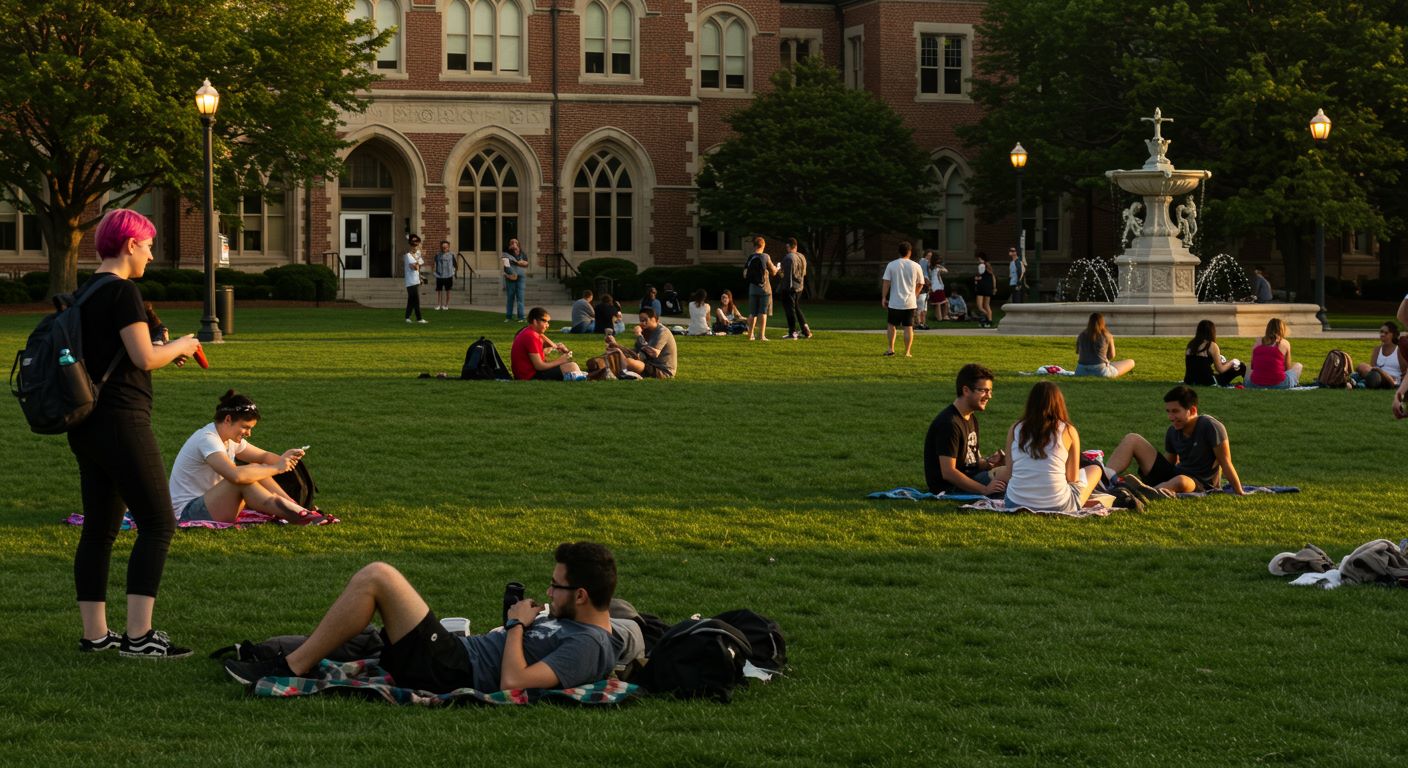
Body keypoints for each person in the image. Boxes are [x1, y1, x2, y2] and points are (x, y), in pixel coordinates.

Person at [68, 209, 203, 658]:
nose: (149, 253)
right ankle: (139, 637)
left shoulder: (85, 292)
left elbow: (125, 351)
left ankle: (96, 636)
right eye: (147, 245)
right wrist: (183, 345)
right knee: (159, 523)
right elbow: (144, 359)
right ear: (129, 245)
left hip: (84, 422)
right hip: (123, 419)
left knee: (100, 529)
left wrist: (161, 348)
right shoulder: (124, 290)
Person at [224, 542, 619, 694]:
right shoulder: (580, 625)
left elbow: (513, 682)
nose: (549, 592)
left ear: (581, 595)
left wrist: (517, 624)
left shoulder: (588, 643)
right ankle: (270, 655)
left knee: (380, 576)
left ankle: (287, 667)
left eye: (556, 586)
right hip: (454, 655)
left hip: (451, 669)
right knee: (366, 626)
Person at [168, 391, 325, 525]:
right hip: (188, 512)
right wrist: (276, 468)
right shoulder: (207, 439)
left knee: (255, 467)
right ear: (228, 419)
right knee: (243, 479)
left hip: (210, 504)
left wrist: (284, 460)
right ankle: (300, 517)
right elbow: (235, 476)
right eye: (245, 427)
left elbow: (263, 456)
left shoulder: (228, 438)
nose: (248, 434)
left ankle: (296, 508)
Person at [1103, 385, 1247, 497]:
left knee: (1180, 481)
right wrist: (1153, 470)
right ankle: (1103, 480)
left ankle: (1141, 493)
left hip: (1200, 483)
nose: (1171, 417)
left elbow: (1226, 462)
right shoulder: (1173, 431)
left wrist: (1239, 491)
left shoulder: (1211, 427)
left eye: (1175, 411)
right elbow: (1169, 463)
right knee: (1132, 439)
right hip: (1176, 474)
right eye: (1168, 411)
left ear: (1192, 410)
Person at [1001, 382, 1102, 512]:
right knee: (1095, 468)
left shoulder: (1015, 428)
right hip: (1059, 505)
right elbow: (1072, 478)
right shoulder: (1069, 431)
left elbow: (1009, 473)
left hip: (1015, 502)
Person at [923, 363, 1010, 496]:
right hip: (950, 488)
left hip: (971, 478)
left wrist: (989, 463)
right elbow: (949, 472)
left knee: (1014, 473)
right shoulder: (949, 423)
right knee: (1013, 478)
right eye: (984, 390)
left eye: (990, 391)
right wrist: (984, 490)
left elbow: (971, 461)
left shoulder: (970, 417)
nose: (989, 396)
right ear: (966, 390)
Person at [510, 307, 583, 381]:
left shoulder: (530, 332)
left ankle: (578, 376)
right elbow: (539, 366)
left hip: (526, 375)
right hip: (529, 377)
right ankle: (581, 377)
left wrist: (557, 347)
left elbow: (546, 348)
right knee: (572, 366)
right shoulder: (531, 336)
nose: (548, 325)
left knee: (571, 367)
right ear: (535, 321)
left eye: (548, 322)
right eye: (545, 321)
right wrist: (560, 360)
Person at [602, 307, 677, 379]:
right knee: (615, 355)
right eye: (641, 320)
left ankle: (610, 372)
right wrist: (615, 345)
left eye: (645, 320)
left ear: (655, 319)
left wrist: (639, 335)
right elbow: (636, 352)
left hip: (662, 371)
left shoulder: (662, 332)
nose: (643, 323)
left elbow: (653, 353)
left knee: (627, 362)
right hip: (648, 364)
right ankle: (603, 370)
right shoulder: (646, 331)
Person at [881, 241, 925, 357]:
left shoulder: (892, 265)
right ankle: (907, 352)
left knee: (891, 325)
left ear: (899, 252)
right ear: (909, 252)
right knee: (908, 327)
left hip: (894, 302)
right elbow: (921, 283)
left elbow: (886, 282)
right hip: (910, 302)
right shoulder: (916, 266)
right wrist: (914, 294)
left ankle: (891, 349)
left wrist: (884, 297)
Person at [1183, 319, 1246, 387]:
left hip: (1189, 380)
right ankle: (1248, 385)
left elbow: (1198, 364)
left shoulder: (1191, 344)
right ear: (1212, 331)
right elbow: (1220, 369)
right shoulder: (1211, 345)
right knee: (1241, 366)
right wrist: (1232, 362)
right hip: (1207, 381)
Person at [1074, 312, 1136, 378]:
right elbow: (1112, 355)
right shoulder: (1107, 336)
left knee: (1110, 364)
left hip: (1080, 371)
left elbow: (1077, 351)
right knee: (1131, 362)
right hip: (1101, 371)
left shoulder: (1081, 335)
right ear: (1102, 322)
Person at [1247, 317, 1303, 389]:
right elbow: (1287, 368)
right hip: (1280, 384)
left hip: (1254, 384)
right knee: (1298, 365)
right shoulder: (1285, 343)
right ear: (1282, 329)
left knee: (1248, 366)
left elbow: (1252, 366)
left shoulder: (1257, 342)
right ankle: (1294, 384)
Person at [743, 236, 780, 341]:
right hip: (764, 289)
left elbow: (745, 274)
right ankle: (761, 335)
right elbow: (773, 271)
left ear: (754, 246)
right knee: (763, 312)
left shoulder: (750, 257)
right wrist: (777, 268)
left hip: (752, 289)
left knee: (752, 313)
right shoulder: (766, 256)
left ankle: (750, 335)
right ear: (763, 245)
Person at [778, 237, 812, 339]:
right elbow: (804, 273)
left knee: (790, 310)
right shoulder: (802, 256)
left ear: (788, 246)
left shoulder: (789, 258)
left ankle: (792, 332)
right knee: (796, 308)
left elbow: (786, 276)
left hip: (790, 288)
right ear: (796, 246)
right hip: (800, 288)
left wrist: (779, 270)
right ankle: (805, 330)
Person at [1355, 321, 1405, 389]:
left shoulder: (1399, 350)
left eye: (1386, 333)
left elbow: (1404, 372)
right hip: (1377, 377)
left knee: (1371, 376)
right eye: (1381, 332)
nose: (1382, 334)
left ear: (1393, 334)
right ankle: (1354, 382)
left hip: (1392, 381)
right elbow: (1372, 368)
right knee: (1360, 368)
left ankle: (1359, 383)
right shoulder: (1377, 350)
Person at [502, 237, 528, 322]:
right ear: (509, 245)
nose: (513, 244)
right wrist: (512, 274)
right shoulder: (506, 253)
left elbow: (526, 263)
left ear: (518, 244)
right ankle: (508, 317)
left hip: (521, 277)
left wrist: (520, 262)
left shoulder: (522, 253)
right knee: (510, 297)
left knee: (520, 298)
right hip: (511, 277)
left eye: (515, 242)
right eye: (511, 243)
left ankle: (521, 317)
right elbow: (506, 265)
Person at [403, 234, 426, 324]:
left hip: (416, 280)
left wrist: (420, 278)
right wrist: (417, 260)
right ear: (410, 245)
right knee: (415, 299)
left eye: (417, 243)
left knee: (411, 299)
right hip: (410, 281)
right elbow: (414, 267)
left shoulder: (417, 254)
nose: (416, 245)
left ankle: (407, 317)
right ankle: (419, 318)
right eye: (414, 244)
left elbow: (418, 267)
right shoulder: (408, 255)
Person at [926, 250, 950, 322]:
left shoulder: (930, 266)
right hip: (937, 287)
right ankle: (941, 318)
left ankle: (941, 318)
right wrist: (940, 268)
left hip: (934, 287)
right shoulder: (936, 268)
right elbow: (946, 271)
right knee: (940, 303)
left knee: (938, 304)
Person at [972, 252, 995, 327]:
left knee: (980, 306)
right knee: (987, 305)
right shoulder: (989, 266)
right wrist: (994, 287)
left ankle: (987, 318)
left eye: (978, 258)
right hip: (988, 288)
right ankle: (990, 321)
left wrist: (976, 278)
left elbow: (980, 274)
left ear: (981, 258)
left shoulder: (981, 265)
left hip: (981, 288)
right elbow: (992, 277)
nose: (978, 260)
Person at [433, 240, 455, 311]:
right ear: (440, 247)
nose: (444, 248)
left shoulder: (452, 255)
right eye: (443, 247)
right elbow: (434, 263)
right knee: (439, 290)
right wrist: (434, 271)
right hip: (439, 275)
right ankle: (439, 305)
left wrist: (453, 271)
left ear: (448, 247)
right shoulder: (437, 255)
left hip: (448, 275)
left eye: (446, 247)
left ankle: (446, 305)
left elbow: (455, 264)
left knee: (448, 290)